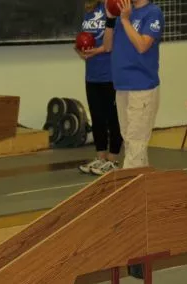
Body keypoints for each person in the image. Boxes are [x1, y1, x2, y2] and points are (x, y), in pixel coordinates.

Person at [103, 0, 163, 169]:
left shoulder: (153, 12)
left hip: (142, 87)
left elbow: (142, 46)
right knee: (130, 142)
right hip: (122, 85)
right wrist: (110, 20)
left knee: (136, 142)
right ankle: (143, 182)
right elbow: (107, 46)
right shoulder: (124, 13)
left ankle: (129, 183)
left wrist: (125, 20)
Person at [76, 0, 123, 176]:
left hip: (110, 74)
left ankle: (113, 159)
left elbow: (116, 42)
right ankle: (100, 158)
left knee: (113, 118)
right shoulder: (90, 10)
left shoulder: (115, 8)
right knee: (97, 118)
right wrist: (81, 51)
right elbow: (82, 39)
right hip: (92, 75)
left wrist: (97, 50)